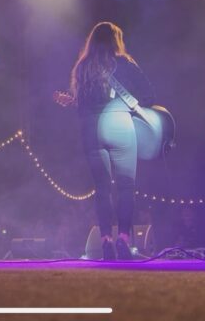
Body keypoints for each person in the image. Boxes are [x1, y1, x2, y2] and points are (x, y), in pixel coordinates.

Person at [69, 22, 155, 260]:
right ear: (116, 40)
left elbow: (82, 107)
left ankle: (106, 239)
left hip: (92, 131)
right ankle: (123, 239)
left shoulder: (83, 67)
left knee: (102, 188)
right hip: (120, 128)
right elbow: (149, 95)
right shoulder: (125, 64)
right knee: (126, 186)